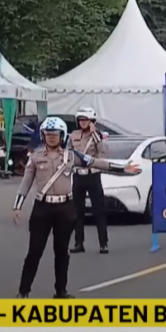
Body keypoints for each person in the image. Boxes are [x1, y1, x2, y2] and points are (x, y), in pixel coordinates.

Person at [12, 117, 140, 298]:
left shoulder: (72, 156)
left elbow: (96, 163)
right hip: (42, 208)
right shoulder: (35, 158)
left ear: (62, 135)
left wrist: (122, 168)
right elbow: (25, 183)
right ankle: (23, 292)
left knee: (62, 252)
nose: (51, 138)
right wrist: (17, 206)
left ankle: (61, 291)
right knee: (34, 252)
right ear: (42, 136)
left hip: (65, 208)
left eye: (55, 134)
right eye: (48, 134)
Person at [69, 108, 109, 254]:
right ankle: (79, 243)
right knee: (77, 212)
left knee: (99, 210)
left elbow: (103, 151)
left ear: (92, 121)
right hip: (78, 176)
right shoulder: (73, 136)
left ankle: (103, 243)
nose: (83, 122)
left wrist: (94, 133)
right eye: (80, 120)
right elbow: (68, 153)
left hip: (93, 175)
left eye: (86, 120)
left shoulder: (97, 136)